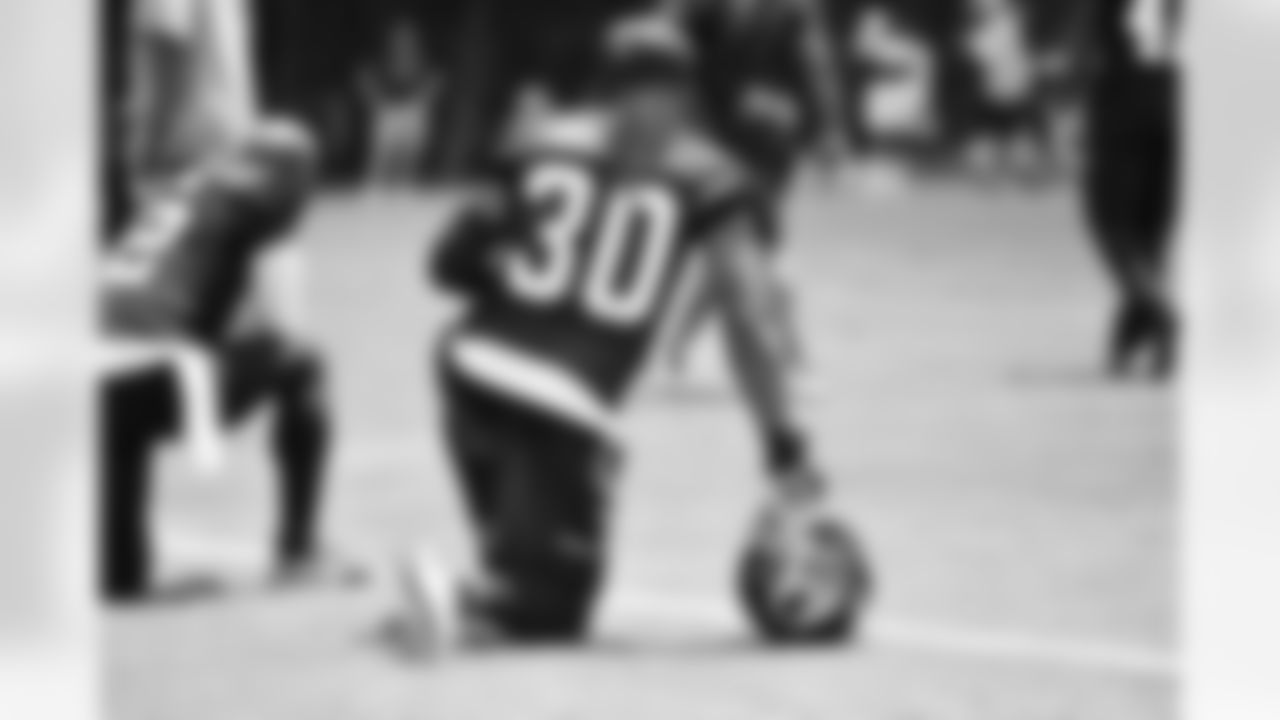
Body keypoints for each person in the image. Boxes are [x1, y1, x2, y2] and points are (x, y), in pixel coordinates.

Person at [396, 17, 841, 649]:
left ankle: (499, 577)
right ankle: (460, 593)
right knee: (549, 616)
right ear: (686, 91)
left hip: (468, 370)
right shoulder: (708, 173)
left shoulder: (539, 142)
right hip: (564, 406)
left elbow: (447, 263)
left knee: (527, 563)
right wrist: (784, 443)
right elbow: (747, 312)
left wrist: (530, 289)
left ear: (603, 87)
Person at [100, 119, 342, 602]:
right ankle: (299, 551)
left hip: (82, 369)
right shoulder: (264, 200)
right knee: (305, 363)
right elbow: (284, 324)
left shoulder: (183, 190)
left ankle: (118, 569)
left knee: (118, 398)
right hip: (151, 372)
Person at [656, 0, 850, 376]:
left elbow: (817, 68)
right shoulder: (702, 13)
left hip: (766, 144)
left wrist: (830, 128)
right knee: (742, 244)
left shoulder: (791, 12)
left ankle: (784, 350)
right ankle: (789, 351)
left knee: (745, 243)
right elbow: (666, 49)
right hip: (716, 140)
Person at [1075, 0, 1181, 376]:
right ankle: (1133, 338)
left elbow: (1088, 53)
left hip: (1124, 105)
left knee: (1113, 225)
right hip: (1178, 104)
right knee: (1151, 231)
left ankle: (1163, 316)